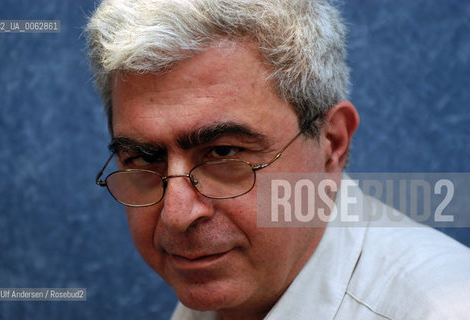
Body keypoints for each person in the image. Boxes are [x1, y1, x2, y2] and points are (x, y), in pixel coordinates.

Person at [86, 0, 470, 319]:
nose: (177, 215)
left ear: (332, 143)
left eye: (223, 153)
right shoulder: (229, 288)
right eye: (142, 157)